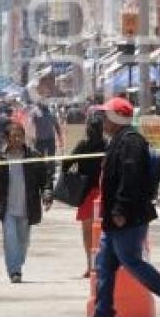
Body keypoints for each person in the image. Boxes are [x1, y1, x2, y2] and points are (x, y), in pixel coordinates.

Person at [77, 97, 160, 317]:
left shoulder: (131, 142)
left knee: (131, 261)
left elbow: (130, 178)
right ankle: (103, 314)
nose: (103, 121)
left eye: (107, 116)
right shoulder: (118, 140)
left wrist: (120, 208)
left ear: (118, 118)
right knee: (104, 265)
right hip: (115, 217)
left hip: (128, 216)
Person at [0, 122, 52, 283]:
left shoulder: (34, 156)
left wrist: (47, 195)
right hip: (7, 209)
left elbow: (45, 179)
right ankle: (15, 271)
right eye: (14, 136)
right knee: (10, 239)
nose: (17, 139)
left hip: (27, 207)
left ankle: (17, 264)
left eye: (20, 136)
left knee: (23, 241)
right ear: (8, 139)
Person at [64, 114, 107, 278]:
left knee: (87, 232)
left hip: (86, 193)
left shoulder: (83, 145)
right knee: (102, 233)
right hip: (103, 192)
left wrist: (73, 178)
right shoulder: (106, 145)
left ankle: (91, 266)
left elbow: (66, 163)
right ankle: (100, 264)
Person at [30, 102, 62, 184]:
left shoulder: (46, 113)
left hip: (45, 139)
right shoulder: (38, 113)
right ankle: (46, 173)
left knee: (46, 157)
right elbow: (31, 125)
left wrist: (59, 136)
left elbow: (56, 125)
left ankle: (48, 174)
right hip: (44, 139)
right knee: (45, 157)